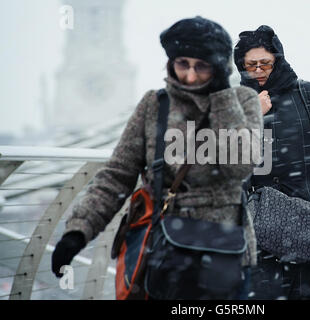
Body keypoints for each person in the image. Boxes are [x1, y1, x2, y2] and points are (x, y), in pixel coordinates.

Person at [51, 16, 263, 299]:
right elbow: (116, 176)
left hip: (224, 254)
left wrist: (222, 95)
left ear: (218, 67)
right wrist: (78, 232)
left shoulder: (243, 101)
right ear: (170, 61)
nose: (189, 76)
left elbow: (239, 165)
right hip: (163, 252)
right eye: (182, 64)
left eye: (201, 66)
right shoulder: (154, 105)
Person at [233, 25, 310, 300]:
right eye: (251, 65)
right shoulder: (233, 104)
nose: (259, 70)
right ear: (241, 66)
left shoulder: (307, 94)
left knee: (305, 293)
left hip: (307, 218)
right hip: (256, 224)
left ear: (279, 60)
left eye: (266, 63)